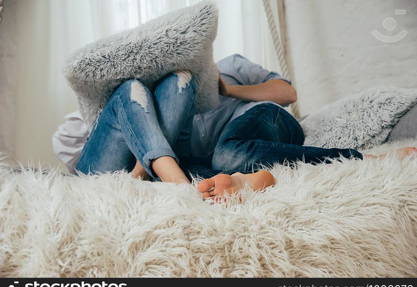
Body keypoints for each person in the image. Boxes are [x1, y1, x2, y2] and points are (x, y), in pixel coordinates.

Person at [53, 54, 417, 200]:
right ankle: (247, 180)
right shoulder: (165, 101)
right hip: (214, 154)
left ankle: (362, 158)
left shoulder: (231, 64)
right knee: (215, 164)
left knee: (228, 151)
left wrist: (229, 89)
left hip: (261, 121)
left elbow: (287, 92)